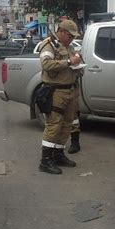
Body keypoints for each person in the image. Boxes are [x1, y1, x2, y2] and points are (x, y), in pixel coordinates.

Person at [37, 20, 82, 174]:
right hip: (56, 92)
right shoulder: (48, 45)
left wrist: (78, 65)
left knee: (67, 124)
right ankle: (46, 160)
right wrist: (69, 61)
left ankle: (58, 154)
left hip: (70, 90)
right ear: (61, 31)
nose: (72, 39)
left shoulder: (69, 47)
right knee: (54, 125)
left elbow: (72, 66)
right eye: (70, 35)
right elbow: (46, 65)